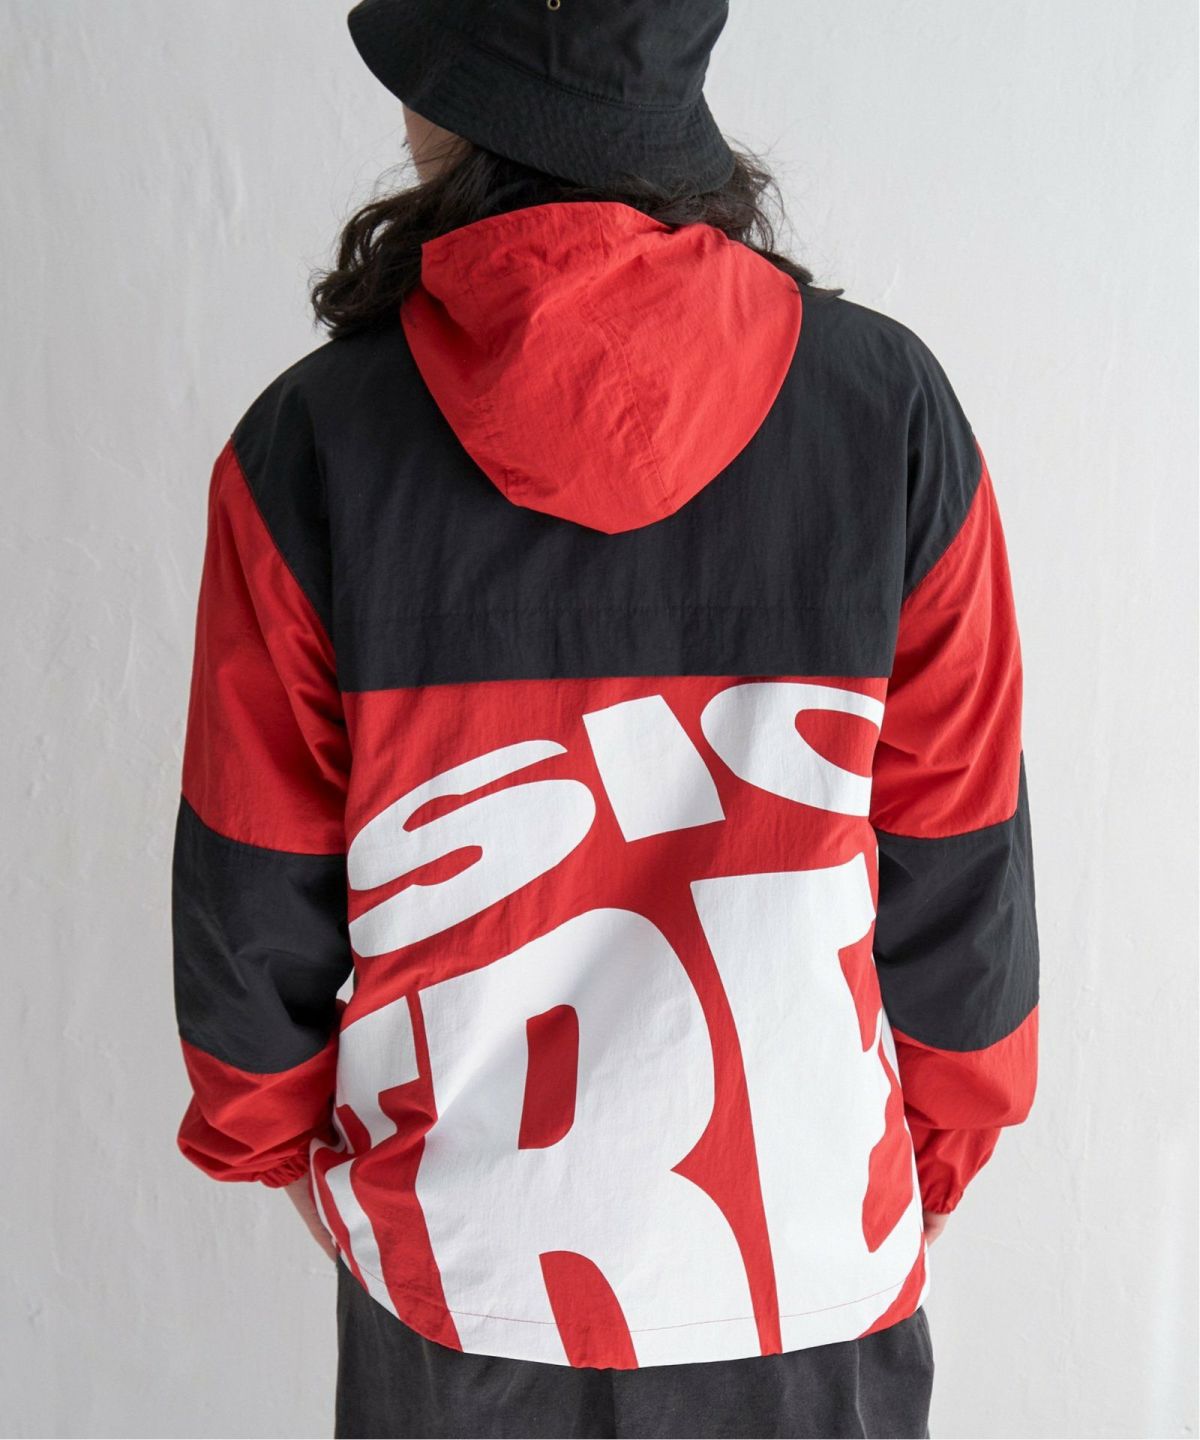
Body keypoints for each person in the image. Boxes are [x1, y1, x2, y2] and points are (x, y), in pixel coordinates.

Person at [170, 2, 1040, 1436]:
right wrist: (925, 1160)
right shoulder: (887, 411)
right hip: (808, 1261)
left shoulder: (308, 445)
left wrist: (292, 1156)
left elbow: (248, 893)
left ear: (462, 108)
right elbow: (964, 859)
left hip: (462, 1280)